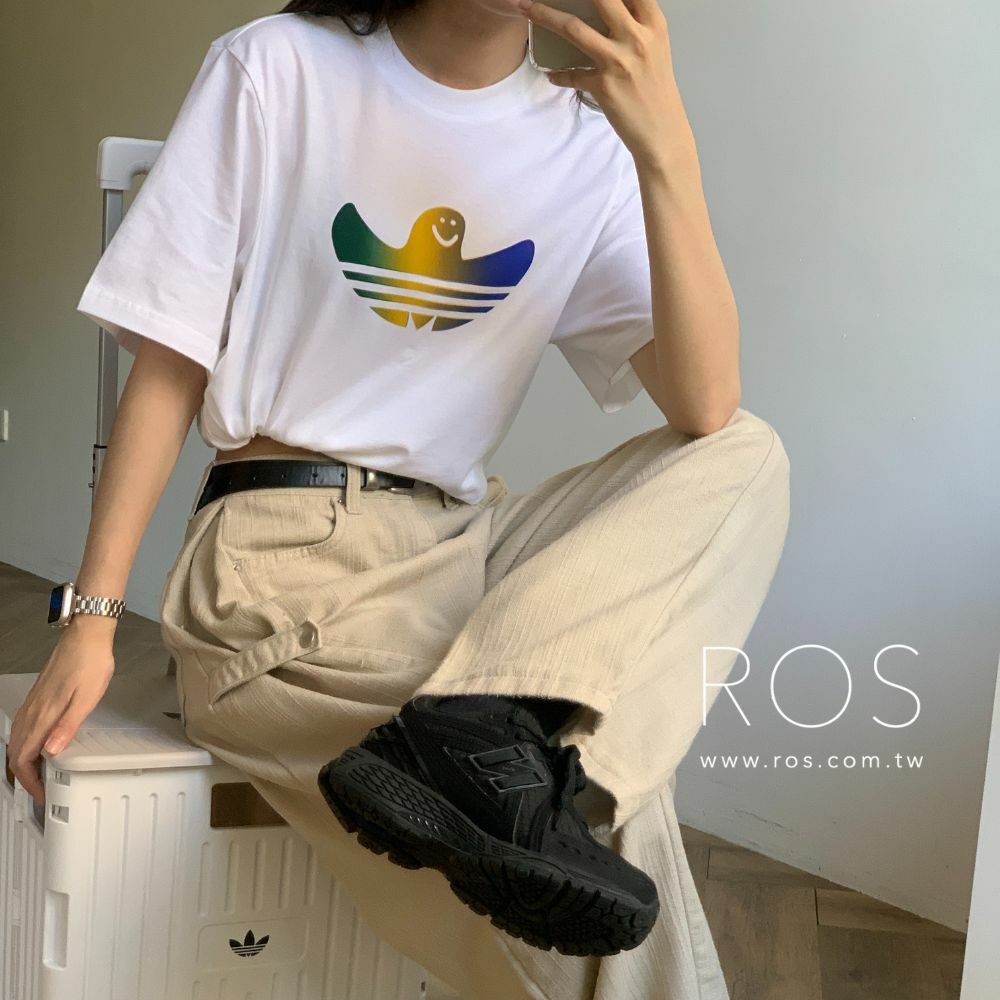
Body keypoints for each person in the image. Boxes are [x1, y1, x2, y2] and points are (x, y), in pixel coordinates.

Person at [11, 2, 791, 998]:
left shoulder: (585, 145)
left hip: (463, 548)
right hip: (286, 560)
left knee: (744, 453)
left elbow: (704, 402)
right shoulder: (278, 69)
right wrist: (91, 620)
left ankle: (478, 727)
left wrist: (665, 147)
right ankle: (489, 748)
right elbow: (169, 366)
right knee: (593, 818)